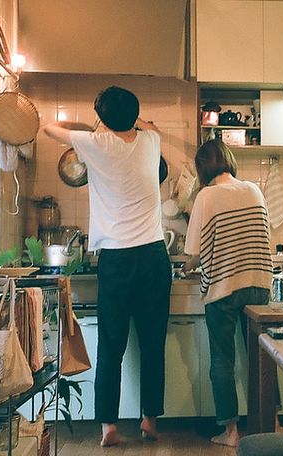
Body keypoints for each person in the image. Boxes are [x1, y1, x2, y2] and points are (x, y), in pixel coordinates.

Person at [43, 86, 171, 447]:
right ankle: (149, 421)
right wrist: (132, 120)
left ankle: (109, 429)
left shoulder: (96, 144)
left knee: (111, 347)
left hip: (116, 260)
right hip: (153, 257)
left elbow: (49, 128)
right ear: (134, 115)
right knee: (152, 344)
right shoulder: (150, 143)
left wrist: (90, 126)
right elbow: (148, 127)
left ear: (103, 118)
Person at [183, 139, 273, 447]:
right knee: (263, 358)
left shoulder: (206, 196)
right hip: (259, 284)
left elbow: (194, 252)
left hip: (222, 288)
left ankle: (232, 433)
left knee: (222, 360)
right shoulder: (254, 190)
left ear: (203, 168)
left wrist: (186, 268)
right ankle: (273, 423)